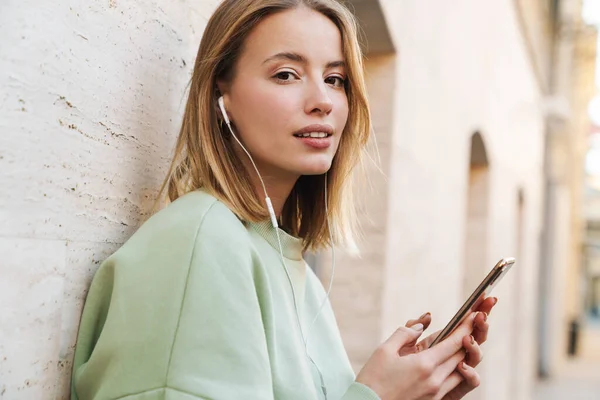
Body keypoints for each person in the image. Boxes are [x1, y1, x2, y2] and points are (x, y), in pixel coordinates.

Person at [70, 0, 497, 399]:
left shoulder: (291, 266)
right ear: (224, 94)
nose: (322, 102)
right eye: (286, 74)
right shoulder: (200, 242)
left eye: (335, 80)